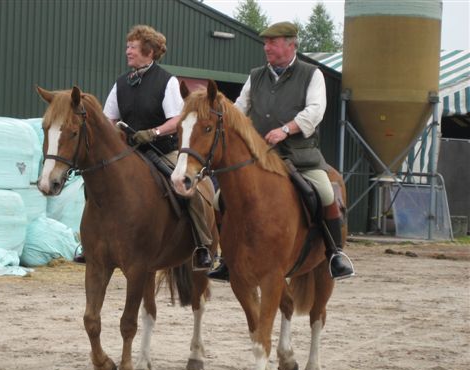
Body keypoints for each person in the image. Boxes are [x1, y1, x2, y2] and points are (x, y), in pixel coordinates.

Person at [208, 21, 354, 281]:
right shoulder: (256, 76)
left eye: (272, 42)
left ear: (291, 44)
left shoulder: (312, 74)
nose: (266, 47)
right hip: (261, 157)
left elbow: (315, 110)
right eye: (265, 43)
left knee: (325, 192)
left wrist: (286, 130)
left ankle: (334, 253)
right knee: (220, 198)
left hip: (299, 156)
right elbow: (239, 108)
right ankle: (227, 257)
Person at [81, 24, 213, 270]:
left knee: (186, 188)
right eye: (127, 47)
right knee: (92, 182)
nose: (127, 51)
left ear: (149, 52)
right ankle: (90, 243)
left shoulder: (167, 81)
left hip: (162, 149)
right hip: (128, 152)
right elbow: (108, 119)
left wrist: (153, 133)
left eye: (133, 47)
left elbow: (176, 120)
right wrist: (111, 136)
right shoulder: (121, 83)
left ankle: (202, 245)